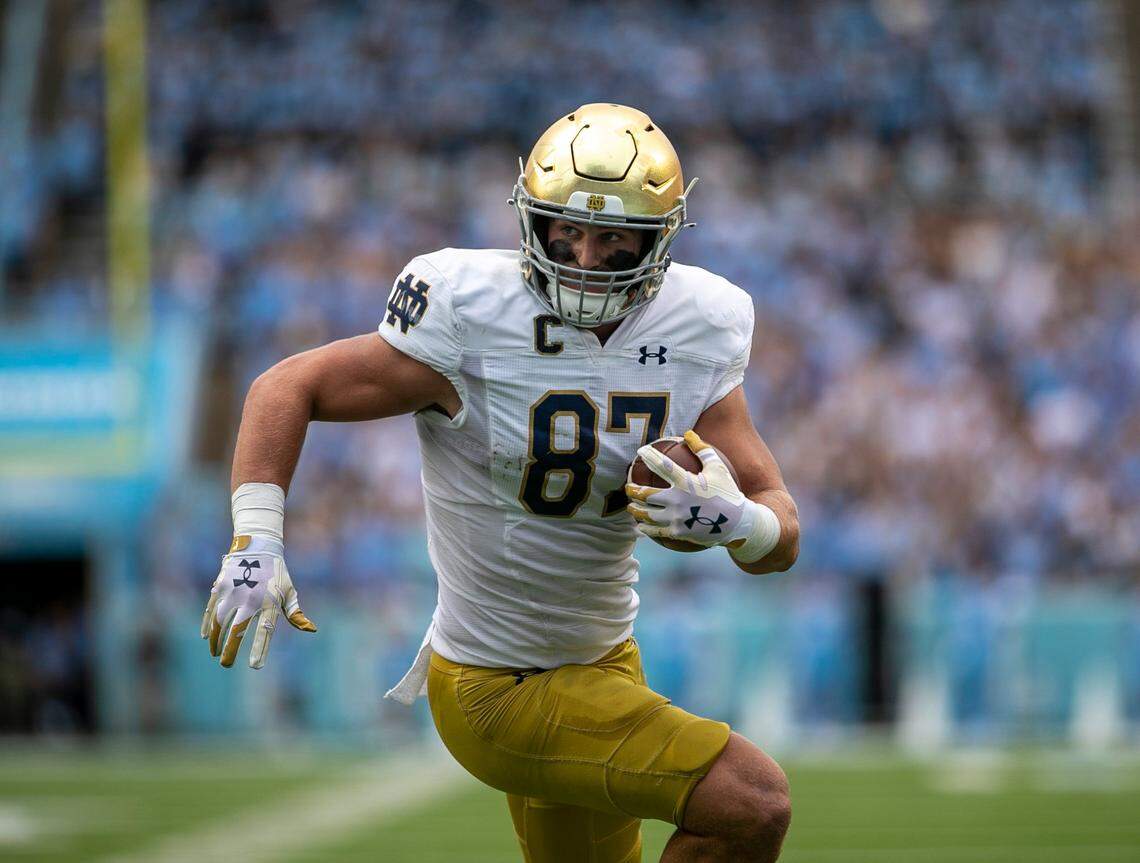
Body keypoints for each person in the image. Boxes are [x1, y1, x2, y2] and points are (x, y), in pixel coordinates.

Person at [201, 103, 799, 863]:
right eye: (567, 233)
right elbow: (286, 387)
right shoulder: (467, 308)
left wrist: (734, 520)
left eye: (614, 240)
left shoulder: (700, 322)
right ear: (532, 220)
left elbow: (781, 533)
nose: (583, 258)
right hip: (496, 683)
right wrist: (257, 538)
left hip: (605, 660)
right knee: (753, 803)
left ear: (660, 241)